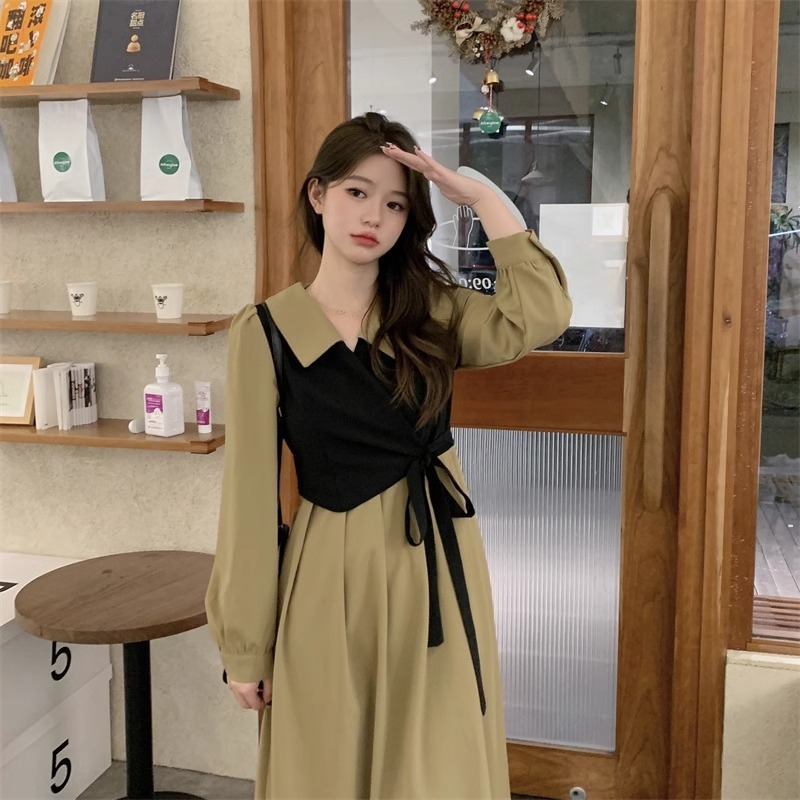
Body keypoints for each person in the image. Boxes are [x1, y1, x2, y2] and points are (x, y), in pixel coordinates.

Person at [205, 112, 572, 799]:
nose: (374, 215)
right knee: (328, 760)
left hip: (436, 559)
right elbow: (248, 502)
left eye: (397, 203)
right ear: (318, 195)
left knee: (435, 763)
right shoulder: (267, 331)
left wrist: (479, 197)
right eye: (357, 192)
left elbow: (539, 314)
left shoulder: (431, 311)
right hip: (328, 572)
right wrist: (246, 646)